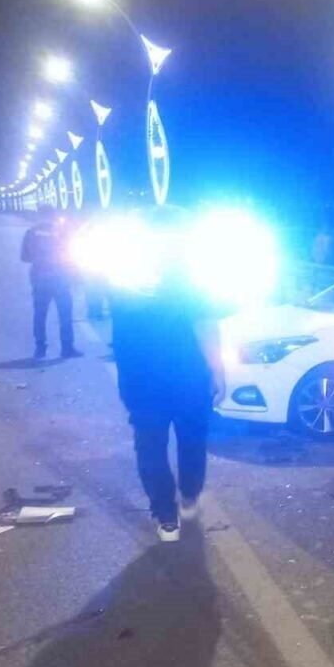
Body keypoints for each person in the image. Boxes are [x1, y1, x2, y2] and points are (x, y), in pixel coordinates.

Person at [109, 209, 226, 542]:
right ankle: (188, 497)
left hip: (141, 376)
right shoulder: (191, 277)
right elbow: (206, 326)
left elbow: (119, 331)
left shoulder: (124, 274)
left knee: (151, 445)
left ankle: (166, 516)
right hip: (187, 374)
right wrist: (217, 370)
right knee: (192, 439)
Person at [21, 206, 81, 358]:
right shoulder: (62, 232)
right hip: (60, 277)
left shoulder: (31, 232)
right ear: (54, 216)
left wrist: (39, 258)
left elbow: (24, 257)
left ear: (39, 216)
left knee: (40, 314)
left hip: (39, 277)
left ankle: (40, 348)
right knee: (65, 314)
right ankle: (67, 348)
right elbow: (72, 255)